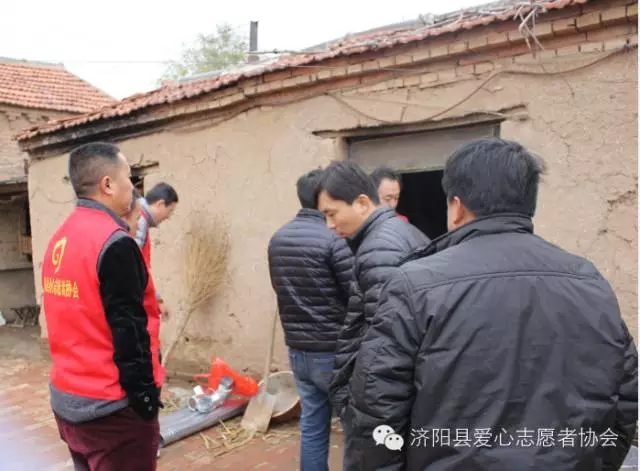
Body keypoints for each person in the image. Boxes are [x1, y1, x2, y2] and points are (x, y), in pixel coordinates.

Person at [349, 138, 639, 470]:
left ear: (457, 207)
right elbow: (625, 399)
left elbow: (377, 410)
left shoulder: (415, 285)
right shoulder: (588, 281)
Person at [41, 142, 163, 470]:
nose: (133, 188)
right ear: (107, 184)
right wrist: (145, 400)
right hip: (112, 410)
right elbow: (130, 332)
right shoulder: (114, 242)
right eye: (128, 178)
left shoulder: (61, 238)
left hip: (69, 400)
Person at [315, 160, 429, 470]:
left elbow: (386, 350)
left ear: (363, 203)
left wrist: (366, 417)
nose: (329, 225)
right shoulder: (397, 233)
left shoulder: (379, 249)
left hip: (384, 404)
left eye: (332, 214)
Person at [267, 169, 354, 471]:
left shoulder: (278, 239)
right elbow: (354, 293)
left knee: (313, 426)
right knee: (354, 427)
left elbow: (280, 289)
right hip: (332, 351)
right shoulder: (334, 238)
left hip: (298, 351)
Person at [134, 182, 179, 320]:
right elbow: (132, 267)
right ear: (160, 204)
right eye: (170, 210)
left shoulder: (141, 219)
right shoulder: (139, 222)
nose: (168, 216)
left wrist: (157, 299)